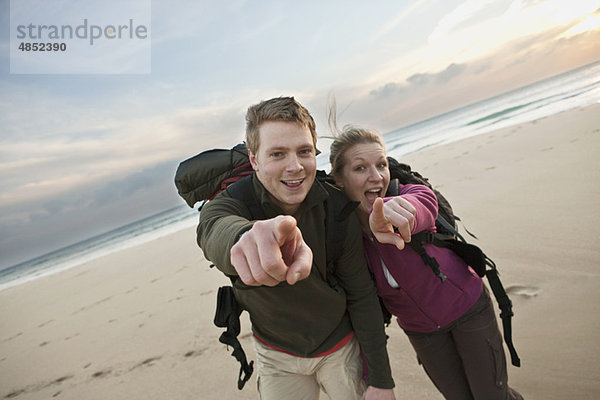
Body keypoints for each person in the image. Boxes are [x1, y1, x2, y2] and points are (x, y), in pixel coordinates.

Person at [196, 97, 396, 400]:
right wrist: (246, 237)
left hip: (339, 347)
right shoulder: (233, 203)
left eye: (304, 151)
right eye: (277, 154)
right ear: (254, 160)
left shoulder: (337, 208)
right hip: (276, 355)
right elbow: (213, 227)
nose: (295, 167)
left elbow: (361, 294)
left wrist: (382, 381)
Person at [329, 124, 524, 400]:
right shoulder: (346, 237)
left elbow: (423, 206)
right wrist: (369, 375)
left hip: (468, 309)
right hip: (423, 333)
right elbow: (361, 302)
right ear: (340, 179)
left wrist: (399, 212)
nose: (376, 177)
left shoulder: (408, 194)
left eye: (381, 165)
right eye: (360, 168)